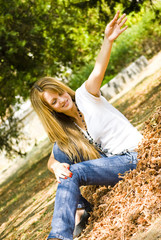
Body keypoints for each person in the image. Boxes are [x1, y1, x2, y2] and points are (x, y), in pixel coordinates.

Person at [30, 11, 143, 240]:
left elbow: (98, 70)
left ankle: (60, 235)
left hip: (137, 155)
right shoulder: (68, 130)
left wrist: (107, 41)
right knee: (65, 169)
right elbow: (53, 158)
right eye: (54, 101)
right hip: (116, 165)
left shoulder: (85, 95)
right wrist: (55, 168)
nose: (62, 99)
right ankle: (79, 212)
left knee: (72, 174)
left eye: (59, 92)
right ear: (52, 109)